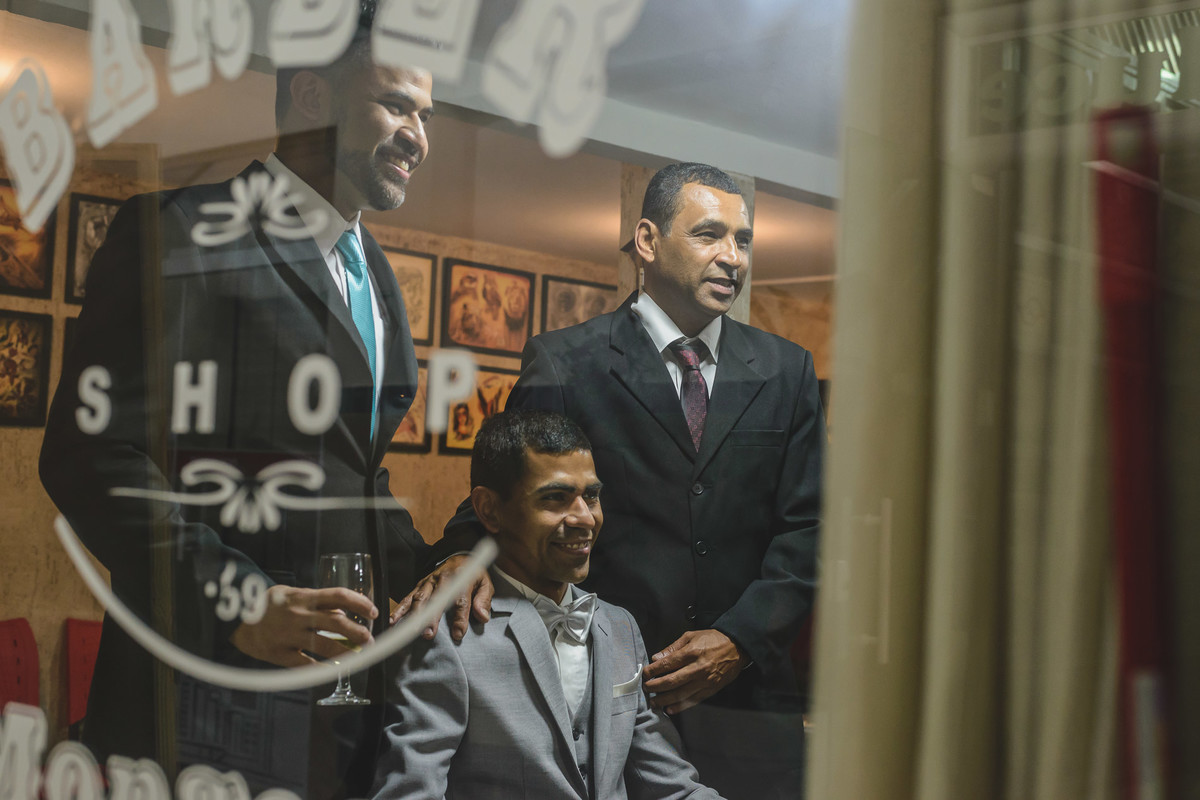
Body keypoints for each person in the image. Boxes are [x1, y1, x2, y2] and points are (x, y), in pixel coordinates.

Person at [37, 6, 474, 796]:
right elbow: (88, 456)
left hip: (342, 714)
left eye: (426, 114)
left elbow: (356, 478)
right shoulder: (178, 234)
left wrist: (448, 567)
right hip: (202, 697)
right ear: (312, 99)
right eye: (396, 105)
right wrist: (240, 598)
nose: (420, 135)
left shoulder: (378, 275)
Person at [425, 162, 824, 798]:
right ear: (647, 241)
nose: (732, 257)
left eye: (743, 240)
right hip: (611, 698)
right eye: (708, 235)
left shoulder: (786, 371)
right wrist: (457, 557)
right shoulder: (566, 361)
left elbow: (809, 529)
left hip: (751, 702)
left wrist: (738, 638)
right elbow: (505, 494)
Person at [371, 409, 723, 800]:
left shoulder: (620, 626)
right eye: (555, 498)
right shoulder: (445, 633)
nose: (584, 518)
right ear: (489, 510)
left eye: (591, 495)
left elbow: (673, 786)